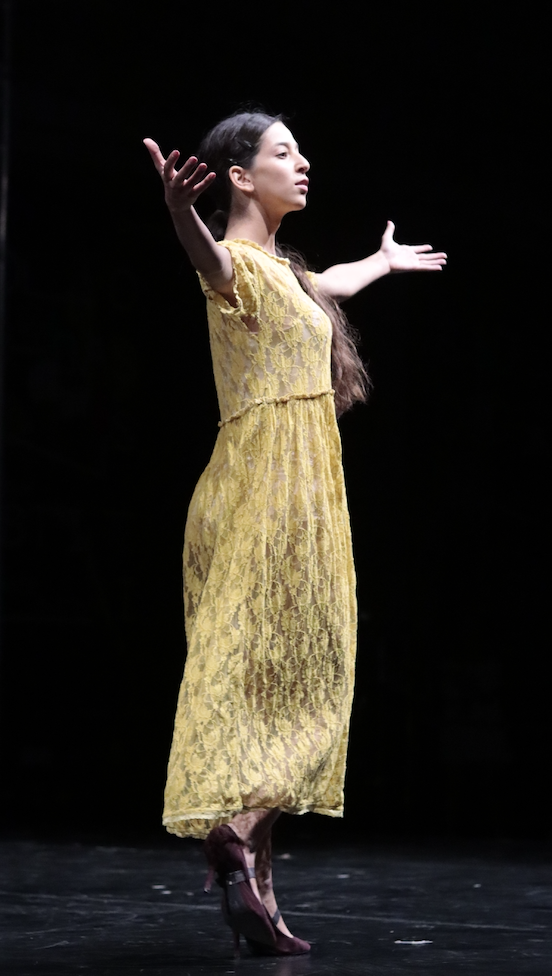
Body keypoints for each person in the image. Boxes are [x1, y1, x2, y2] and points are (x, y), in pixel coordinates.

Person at [144, 110, 446, 957]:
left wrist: (382, 262)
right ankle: (239, 830)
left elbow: (332, 284)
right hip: (270, 491)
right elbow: (208, 260)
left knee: (282, 680)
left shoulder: (286, 272)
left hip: (285, 489)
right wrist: (179, 212)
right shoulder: (235, 263)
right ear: (241, 177)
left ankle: (260, 893)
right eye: (284, 152)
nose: (304, 162)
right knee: (309, 680)